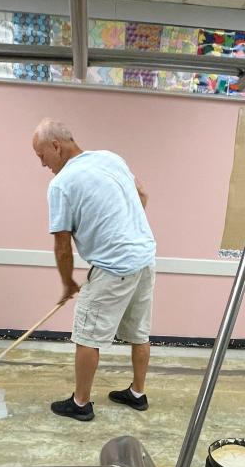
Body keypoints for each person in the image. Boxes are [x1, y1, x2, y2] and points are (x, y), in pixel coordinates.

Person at [31, 118, 156, 422]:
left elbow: (62, 244)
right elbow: (141, 196)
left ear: (56, 146)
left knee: (87, 336)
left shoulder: (61, 184)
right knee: (139, 330)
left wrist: (67, 283)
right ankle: (137, 394)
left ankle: (81, 402)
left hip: (114, 266)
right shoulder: (111, 158)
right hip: (145, 256)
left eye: (41, 156)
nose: (42, 164)